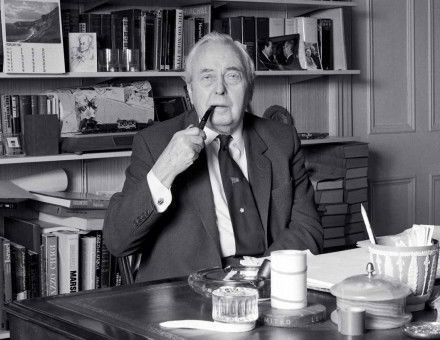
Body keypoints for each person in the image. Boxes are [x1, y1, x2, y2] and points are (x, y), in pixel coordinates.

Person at [103, 32, 323, 282]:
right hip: (183, 297)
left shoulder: (282, 140)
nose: (220, 89)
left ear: (249, 89)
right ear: (190, 91)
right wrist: (165, 169)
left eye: (232, 76)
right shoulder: (154, 143)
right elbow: (117, 242)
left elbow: (308, 229)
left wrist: (262, 273)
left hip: (267, 284)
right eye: (207, 77)